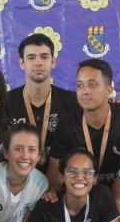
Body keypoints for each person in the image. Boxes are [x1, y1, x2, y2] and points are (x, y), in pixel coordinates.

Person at [47, 59, 120, 191]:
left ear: (109, 90)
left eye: (92, 84)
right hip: (84, 198)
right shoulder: (67, 123)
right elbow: (55, 169)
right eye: (80, 85)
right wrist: (53, 196)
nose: (85, 91)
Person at [5, 33, 79, 171]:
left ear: (53, 61)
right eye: (31, 57)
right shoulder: (5, 102)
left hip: (61, 181)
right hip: (18, 180)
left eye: (44, 57)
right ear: (22, 63)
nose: (38, 62)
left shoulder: (73, 102)